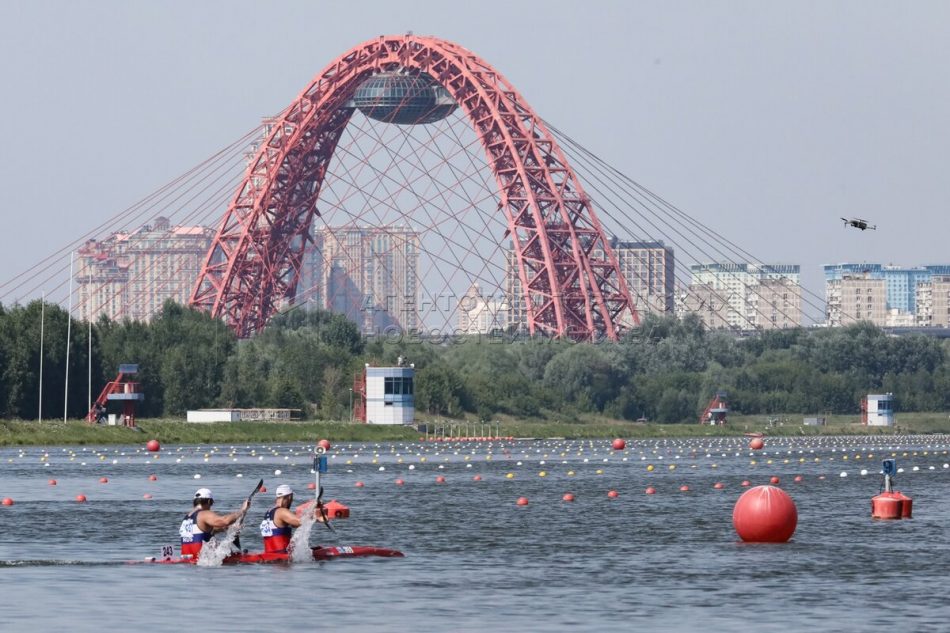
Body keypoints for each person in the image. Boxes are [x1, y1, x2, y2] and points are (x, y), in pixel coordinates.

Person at [179, 488, 249, 557]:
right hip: (202, 560)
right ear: (209, 501)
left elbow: (207, 530)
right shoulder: (204, 513)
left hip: (187, 560)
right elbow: (225, 520)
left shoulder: (187, 517)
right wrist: (242, 510)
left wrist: (229, 528)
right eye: (212, 503)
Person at [259, 484, 306, 553]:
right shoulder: (282, 511)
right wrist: (315, 514)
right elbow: (300, 522)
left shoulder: (269, 512)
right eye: (292, 498)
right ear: (289, 497)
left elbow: (295, 524)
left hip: (269, 557)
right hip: (282, 558)